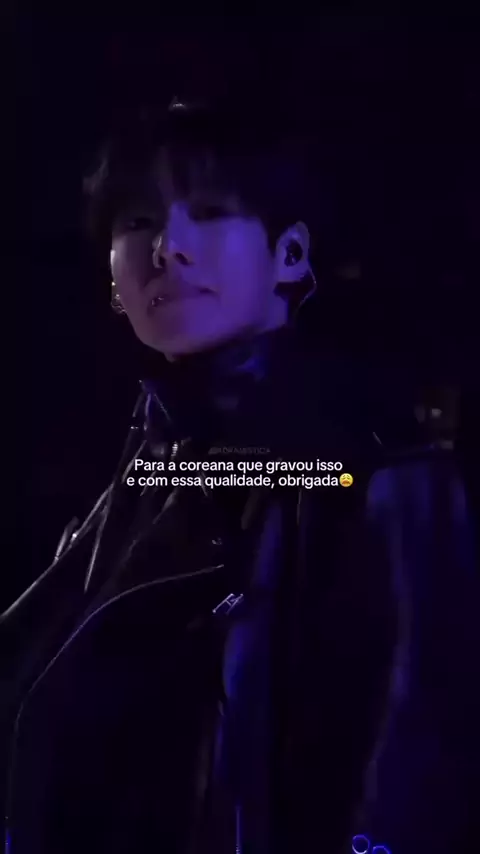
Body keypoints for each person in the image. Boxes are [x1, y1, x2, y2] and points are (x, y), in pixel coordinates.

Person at [2, 98, 479, 854]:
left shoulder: (374, 469)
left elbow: (413, 752)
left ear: (289, 256)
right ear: (113, 284)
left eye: (212, 213)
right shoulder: (146, 467)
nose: (169, 248)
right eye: (138, 221)